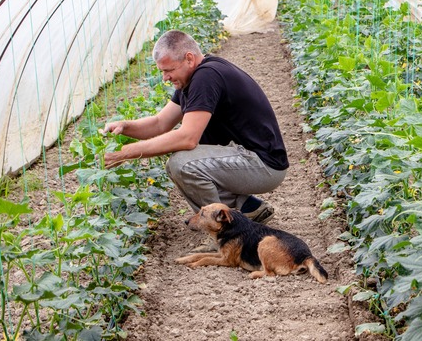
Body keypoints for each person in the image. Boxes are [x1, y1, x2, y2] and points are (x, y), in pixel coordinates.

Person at [102, 30, 289, 226]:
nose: (165, 78)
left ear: (189, 59)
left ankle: (227, 230)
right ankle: (248, 208)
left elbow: (187, 138)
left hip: (263, 165)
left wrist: (124, 153)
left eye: (169, 70)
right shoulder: (190, 80)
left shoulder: (207, 77)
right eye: (162, 71)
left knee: (182, 164)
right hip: (249, 159)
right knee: (180, 164)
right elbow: (160, 123)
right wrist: (125, 126)